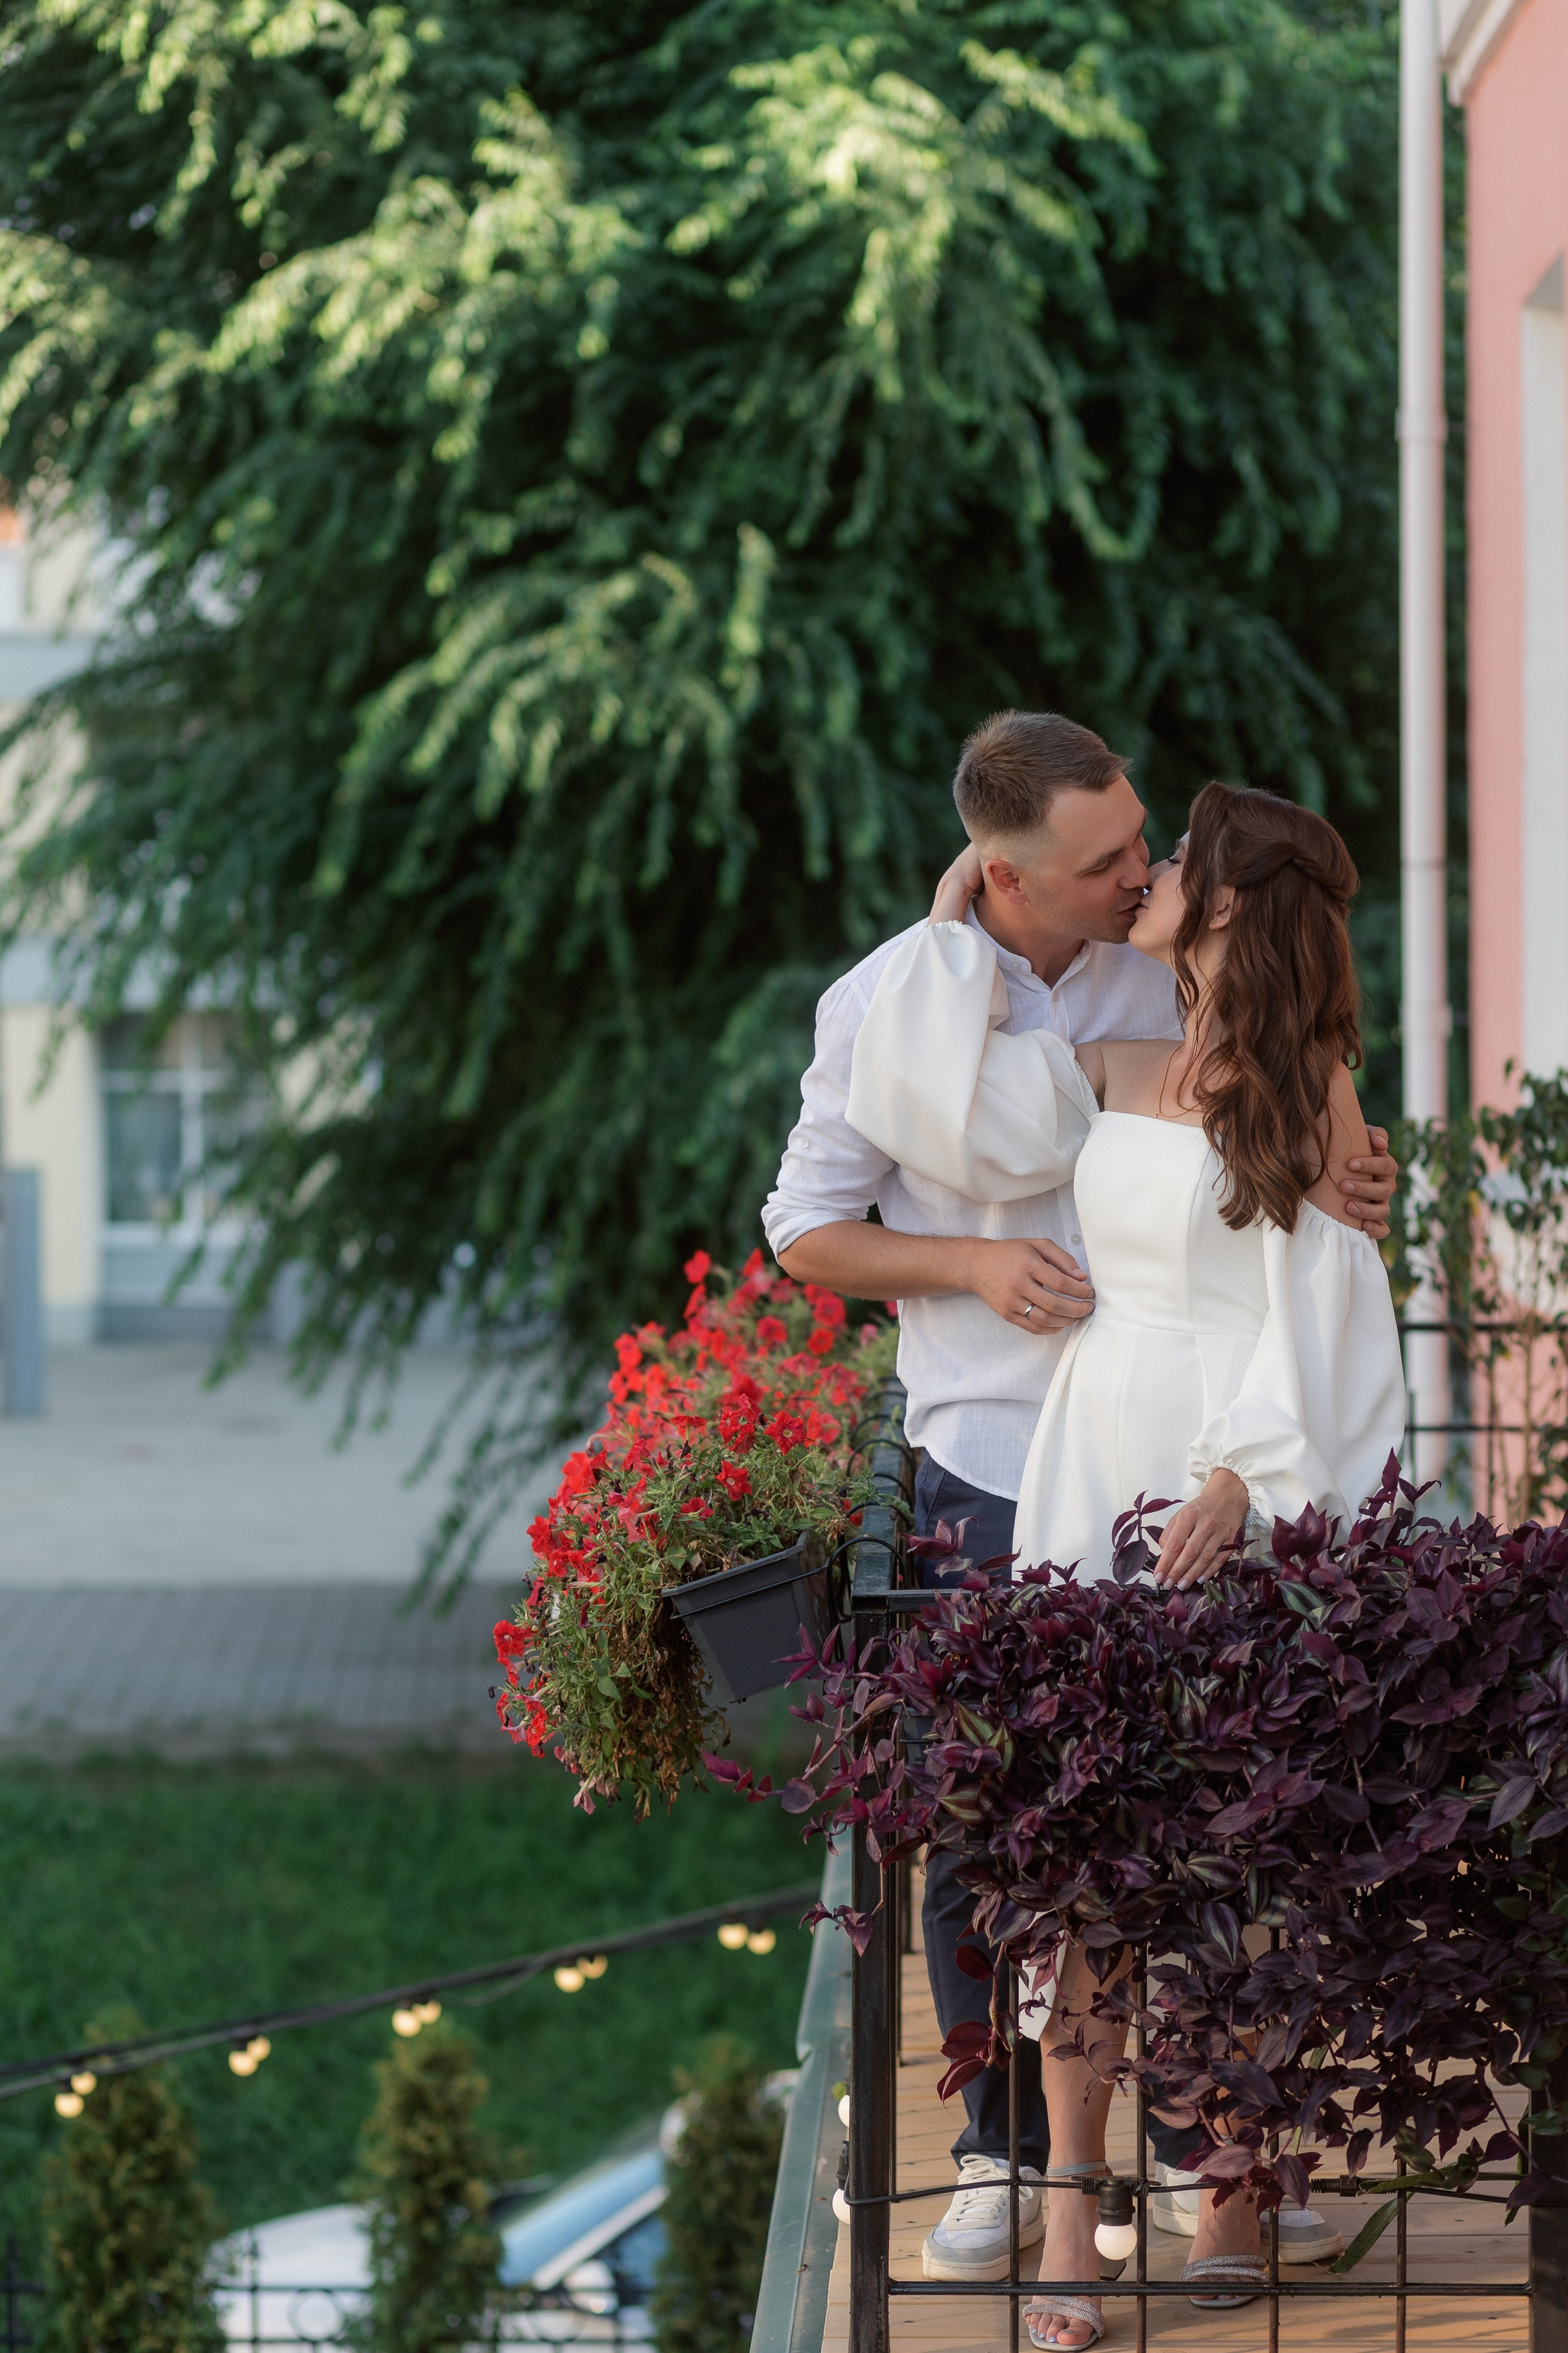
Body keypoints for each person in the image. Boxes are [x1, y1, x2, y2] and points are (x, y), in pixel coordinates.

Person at [760, 712, 1397, 2294]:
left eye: (1153, 851)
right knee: (1011, 1823)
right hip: (1020, 1458)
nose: (1143, 873)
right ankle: (1018, 2161)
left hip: (1190, 1456)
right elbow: (845, 1200)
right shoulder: (950, 1019)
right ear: (1009, 871)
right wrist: (970, 1252)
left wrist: (1351, 1161)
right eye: (1114, 858)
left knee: (1218, 1819)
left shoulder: (1160, 982)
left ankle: (1219, 2161)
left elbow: (1309, 1217)